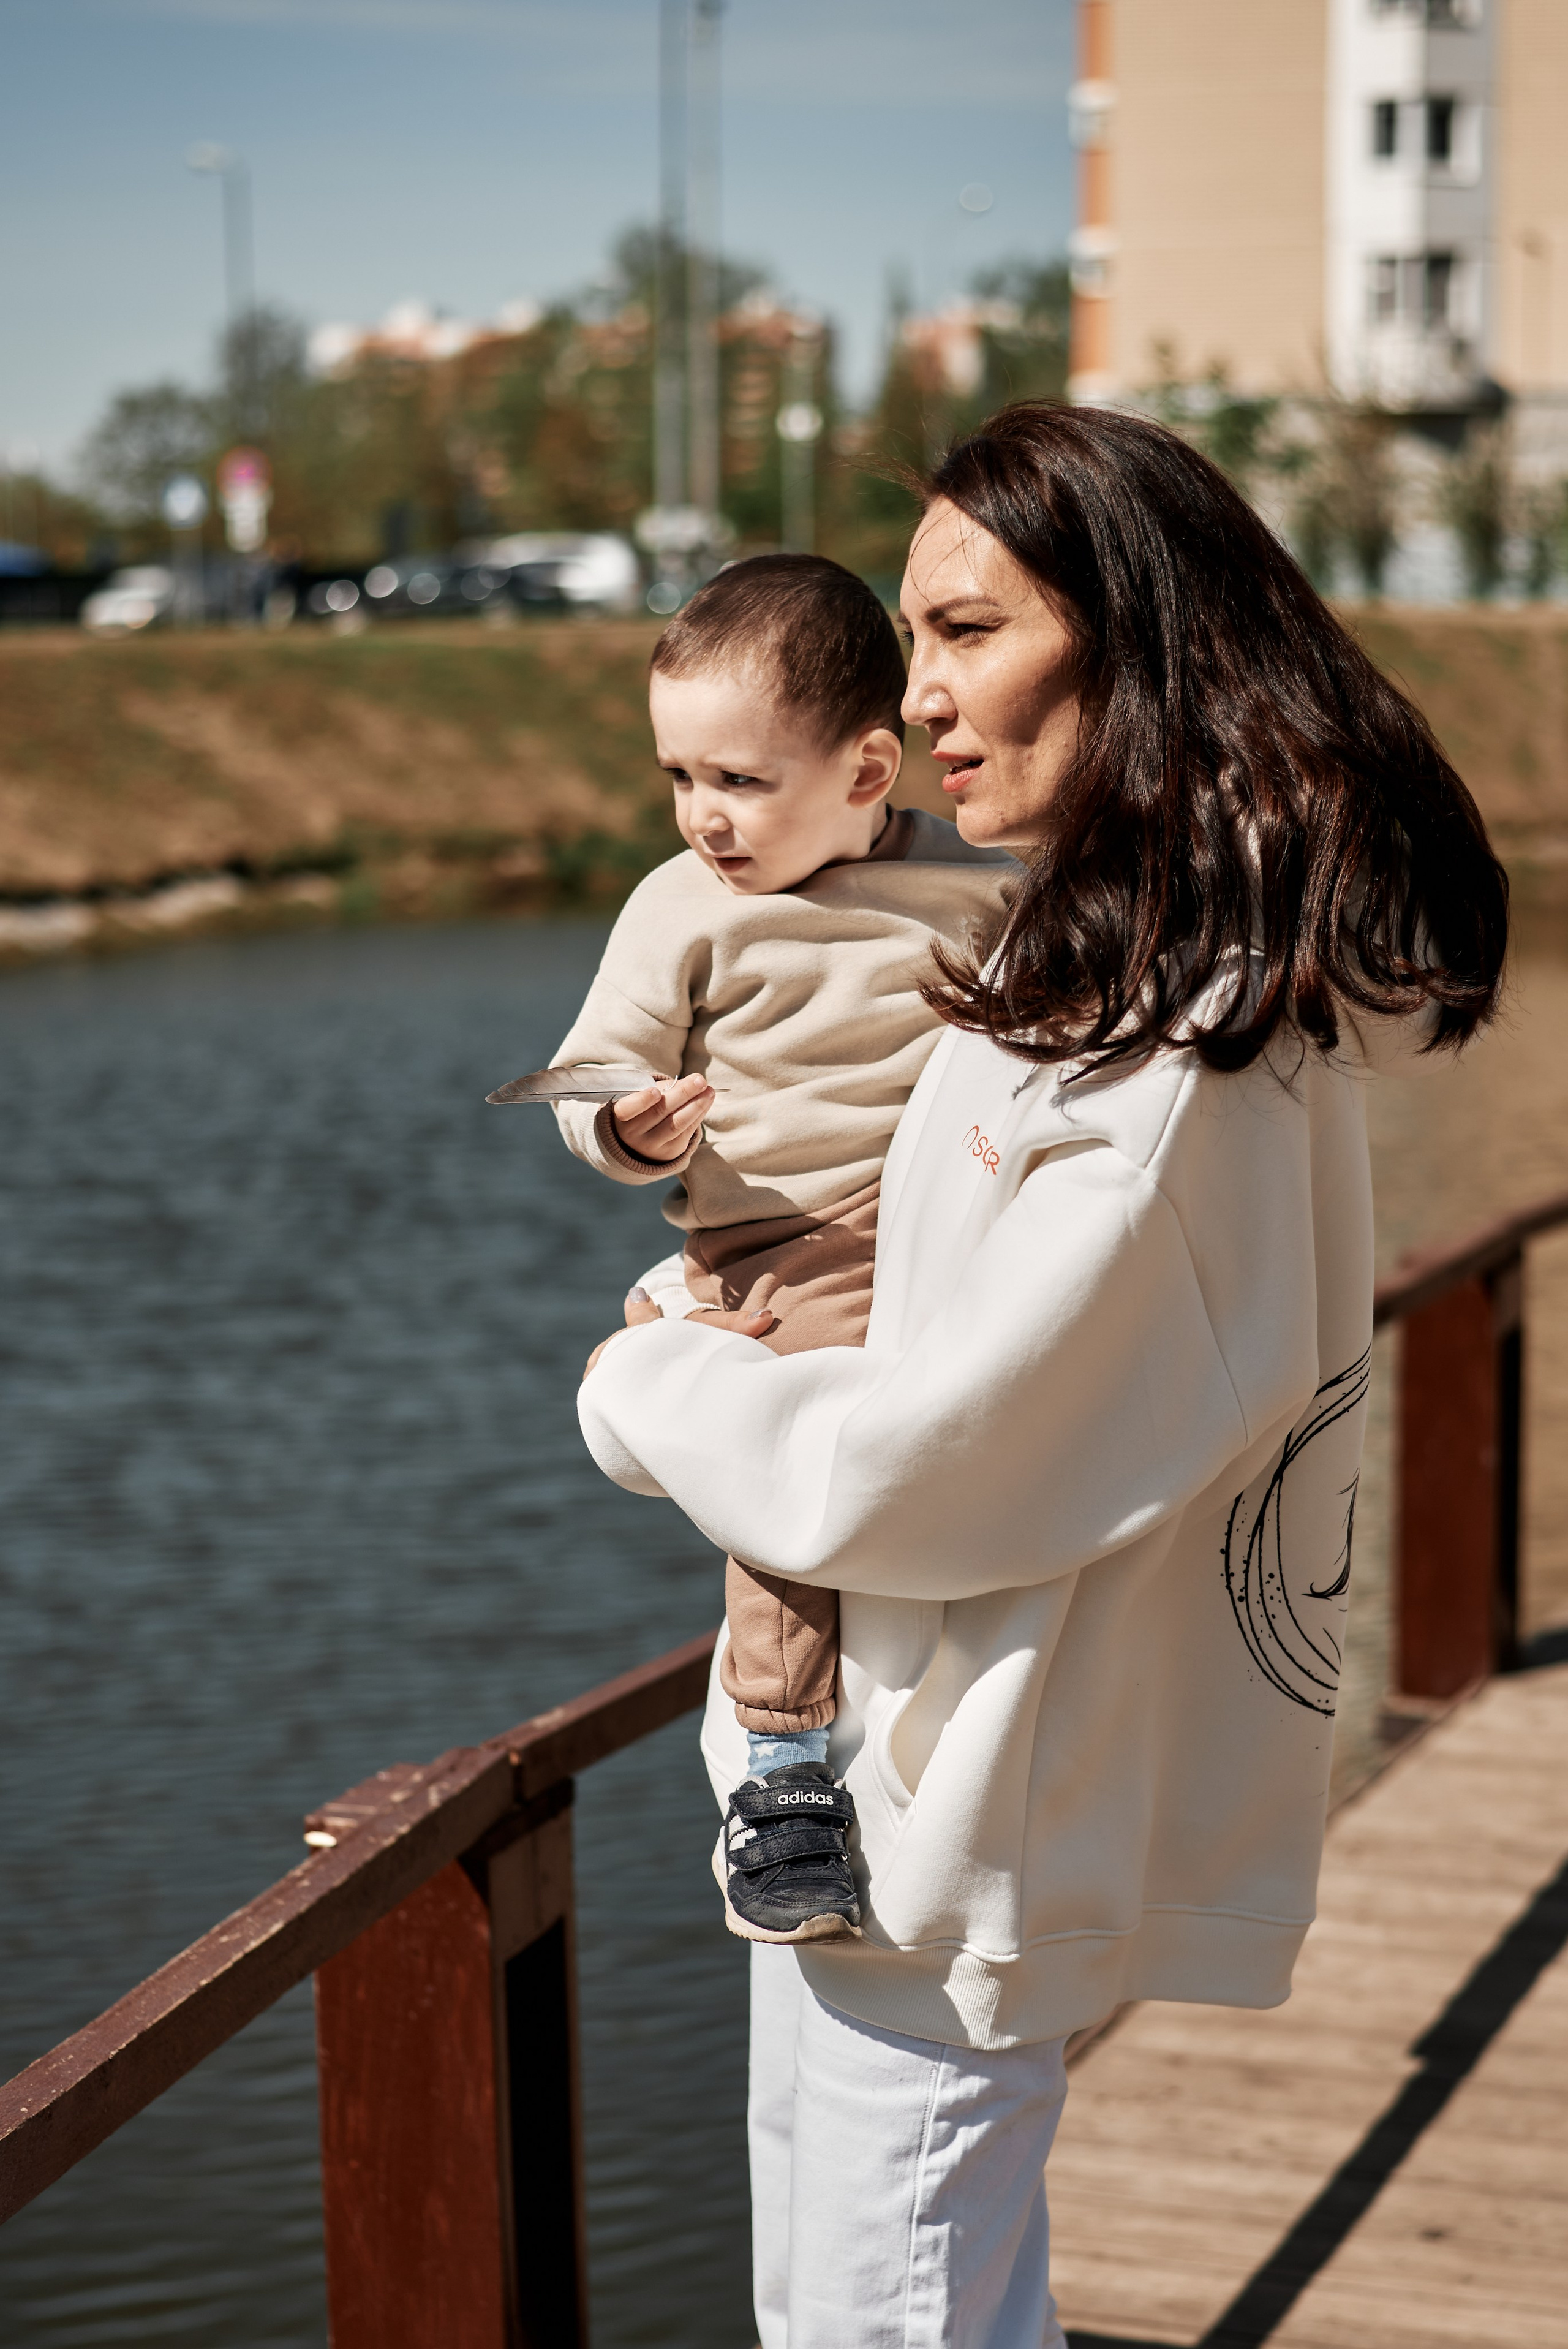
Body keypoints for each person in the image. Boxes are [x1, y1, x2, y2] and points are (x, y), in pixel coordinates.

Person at [577, 403, 1509, 2349]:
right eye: (911, 644)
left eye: (967, 631)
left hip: (962, 1829)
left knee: (882, 2317)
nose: (917, 700)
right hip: (891, 1797)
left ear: (1135, 634)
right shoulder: (1105, 975)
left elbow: (953, 1454)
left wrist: (654, 1381)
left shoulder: (1180, 1049)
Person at [548, 552, 1014, 1940]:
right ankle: (785, 1773)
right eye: (679, 780)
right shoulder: (680, 911)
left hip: (957, 1226)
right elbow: (586, 1077)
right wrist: (631, 1129)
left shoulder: (968, 887)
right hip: (786, 1251)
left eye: (742, 782)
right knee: (789, 1470)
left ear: (870, 772)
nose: (706, 818)